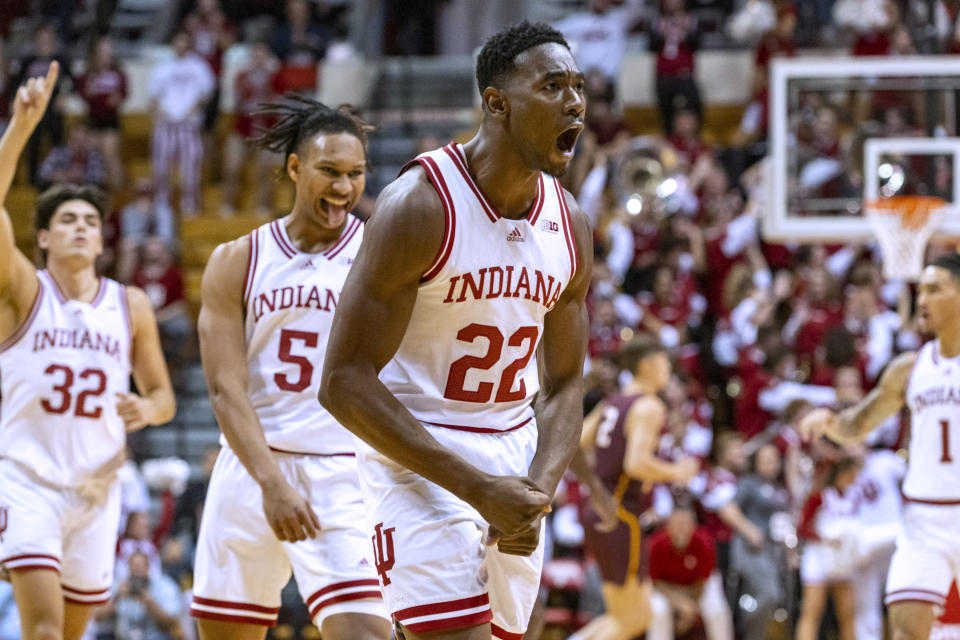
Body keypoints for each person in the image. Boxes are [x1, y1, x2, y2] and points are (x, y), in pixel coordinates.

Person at [319, 20, 592, 640]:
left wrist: (536, 491)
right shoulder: (420, 205)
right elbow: (340, 382)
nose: (575, 102)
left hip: (515, 453)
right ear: (497, 102)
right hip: (417, 455)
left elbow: (568, 381)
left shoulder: (570, 224)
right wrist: (475, 488)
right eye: (553, 86)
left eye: (578, 86)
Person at [191, 95, 390, 640]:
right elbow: (225, 387)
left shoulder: (378, 255)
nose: (345, 188)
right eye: (330, 171)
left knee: (366, 633)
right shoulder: (238, 258)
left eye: (355, 174)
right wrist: (271, 482)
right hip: (252, 469)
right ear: (295, 167)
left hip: (340, 472)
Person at [0, 64, 175, 640]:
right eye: (67, 220)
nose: (81, 228)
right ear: (43, 236)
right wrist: (20, 129)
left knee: (72, 634)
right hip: (26, 480)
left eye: (91, 222)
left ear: (103, 240)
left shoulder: (130, 306)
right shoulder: (25, 288)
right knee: (43, 630)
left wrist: (146, 411)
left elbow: (163, 397)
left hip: (99, 487)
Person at [800, 253, 960, 640]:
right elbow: (861, 423)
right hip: (924, 520)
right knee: (905, 629)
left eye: (934, 290)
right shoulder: (909, 368)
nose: (921, 299)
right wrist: (831, 423)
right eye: (920, 289)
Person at [569, 336, 701, 640]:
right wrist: (677, 471)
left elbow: (574, 441)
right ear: (647, 365)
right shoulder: (649, 406)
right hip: (619, 513)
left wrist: (594, 481)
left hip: (602, 509)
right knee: (632, 618)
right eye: (665, 362)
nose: (669, 368)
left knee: (633, 616)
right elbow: (637, 463)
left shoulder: (612, 402)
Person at [647, 502, 732, 640]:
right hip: (667, 588)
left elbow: (702, 582)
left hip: (699, 586)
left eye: (685, 524)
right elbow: (656, 582)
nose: (681, 529)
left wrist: (691, 608)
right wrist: (681, 603)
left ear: (693, 526)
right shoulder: (656, 544)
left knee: (717, 609)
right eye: (677, 524)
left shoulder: (704, 542)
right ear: (668, 526)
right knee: (658, 610)